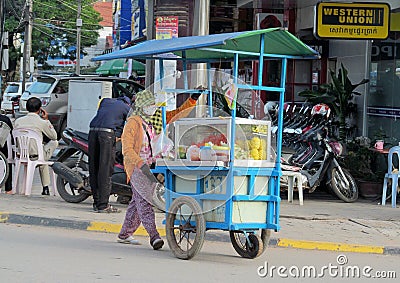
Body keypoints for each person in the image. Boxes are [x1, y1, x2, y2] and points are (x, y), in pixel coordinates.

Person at [117, 90, 200, 249]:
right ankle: (154, 236)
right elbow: (127, 150)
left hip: (152, 166)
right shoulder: (132, 123)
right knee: (145, 201)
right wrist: (140, 164)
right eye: (150, 105)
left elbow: (177, 114)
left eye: (154, 104)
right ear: (142, 106)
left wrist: (192, 100)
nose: (153, 107)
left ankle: (124, 234)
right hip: (137, 167)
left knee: (138, 201)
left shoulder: (153, 120)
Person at [89, 96, 131, 213]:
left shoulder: (105, 101)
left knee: (94, 168)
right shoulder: (126, 108)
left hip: (92, 131)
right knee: (105, 169)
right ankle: (103, 205)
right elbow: (129, 124)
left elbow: (105, 116)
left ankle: (97, 202)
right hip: (106, 135)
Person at [14, 97, 58, 195]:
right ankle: (46, 188)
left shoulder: (18, 121)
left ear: (26, 108)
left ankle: (45, 188)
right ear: (40, 109)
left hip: (22, 155)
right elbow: (54, 136)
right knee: (53, 144)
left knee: (42, 155)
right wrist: (47, 120)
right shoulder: (41, 122)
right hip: (37, 155)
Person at [0, 114, 13, 194]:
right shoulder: (5, 119)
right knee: (9, 159)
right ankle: (9, 189)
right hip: (3, 152)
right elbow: (11, 134)